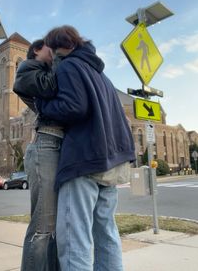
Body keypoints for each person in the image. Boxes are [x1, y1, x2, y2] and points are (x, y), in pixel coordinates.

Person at [35, 25, 136, 271]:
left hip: (84, 160)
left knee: (75, 237)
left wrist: (42, 105)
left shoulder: (70, 66)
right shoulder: (102, 75)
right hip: (113, 160)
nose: (52, 56)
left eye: (52, 49)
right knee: (106, 232)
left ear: (60, 45)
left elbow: (73, 107)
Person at [13, 39, 63, 271]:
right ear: (36, 50)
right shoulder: (28, 70)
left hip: (53, 146)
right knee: (43, 227)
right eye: (50, 49)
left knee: (52, 228)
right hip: (45, 147)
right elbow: (51, 89)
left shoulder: (44, 72)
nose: (54, 53)